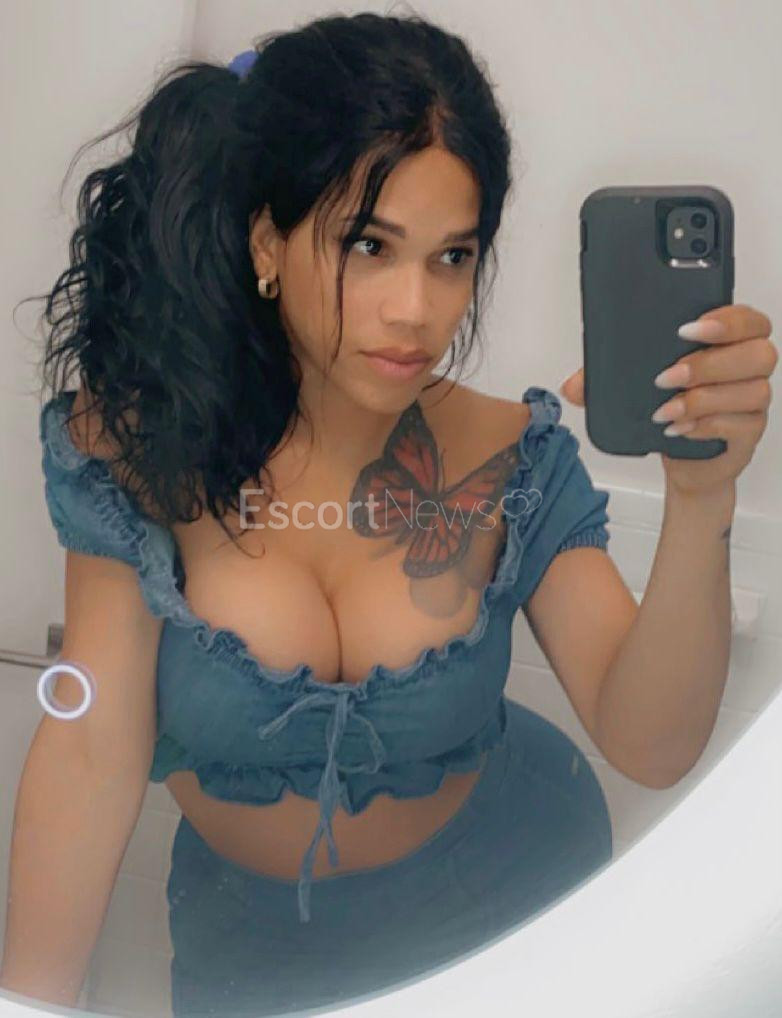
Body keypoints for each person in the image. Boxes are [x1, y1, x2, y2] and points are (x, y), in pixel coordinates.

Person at [3, 12, 616, 1016]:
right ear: (267, 243)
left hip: (514, 900)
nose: (414, 308)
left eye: (452, 256)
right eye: (368, 244)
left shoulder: (510, 450)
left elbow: (650, 735)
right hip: (256, 953)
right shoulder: (139, 451)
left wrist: (702, 496)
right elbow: (87, 748)